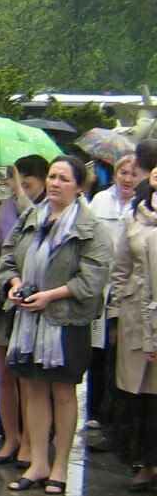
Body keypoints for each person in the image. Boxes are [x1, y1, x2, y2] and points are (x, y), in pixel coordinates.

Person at [0, 156, 114, 495]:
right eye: (52, 176)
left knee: (62, 391)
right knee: (33, 388)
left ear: (79, 186)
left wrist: (50, 295)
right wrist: (14, 284)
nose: (55, 183)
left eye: (64, 178)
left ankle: (60, 466)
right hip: (28, 319)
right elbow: (7, 257)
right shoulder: (31, 217)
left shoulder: (91, 227)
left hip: (66, 320)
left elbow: (92, 280)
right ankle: (38, 463)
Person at [0, 155, 48, 466]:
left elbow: (35, 225)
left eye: (27, 177)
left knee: (26, 377)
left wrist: (19, 192)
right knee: (3, 372)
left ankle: (30, 439)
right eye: (17, 174)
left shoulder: (44, 208)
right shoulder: (1, 203)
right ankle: (11, 436)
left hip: (31, 296)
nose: (21, 181)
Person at [108, 177, 157, 496]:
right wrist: (114, 315)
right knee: (134, 393)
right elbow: (120, 270)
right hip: (134, 314)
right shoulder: (133, 217)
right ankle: (142, 462)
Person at [86, 154, 140, 426]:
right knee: (98, 350)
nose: (127, 179)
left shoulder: (143, 205)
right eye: (123, 173)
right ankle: (95, 411)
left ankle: (117, 412)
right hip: (101, 286)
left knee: (120, 351)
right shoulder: (100, 200)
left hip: (127, 288)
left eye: (133, 174)